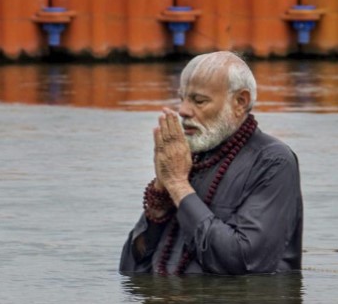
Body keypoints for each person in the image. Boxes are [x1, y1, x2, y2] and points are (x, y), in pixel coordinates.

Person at [119, 51, 303, 275]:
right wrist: (161, 193)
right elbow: (130, 269)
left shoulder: (273, 161)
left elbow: (246, 263)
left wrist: (178, 185)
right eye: (182, 99)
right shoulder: (191, 159)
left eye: (199, 101)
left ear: (239, 102)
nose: (183, 111)